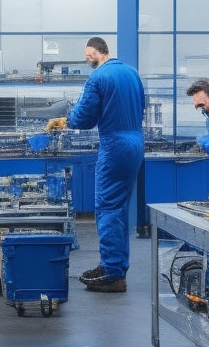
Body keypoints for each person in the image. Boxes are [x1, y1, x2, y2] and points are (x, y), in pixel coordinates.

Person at [46, 37, 145, 293]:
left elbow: (84, 118)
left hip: (115, 144)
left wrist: (65, 120)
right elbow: (140, 106)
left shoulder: (98, 78)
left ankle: (113, 272)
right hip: (135, 142)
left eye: (87, 55)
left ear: (96, 52)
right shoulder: (132, 74)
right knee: (120, 208)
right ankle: (116, 266)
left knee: (107, 207)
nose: (87, 59)